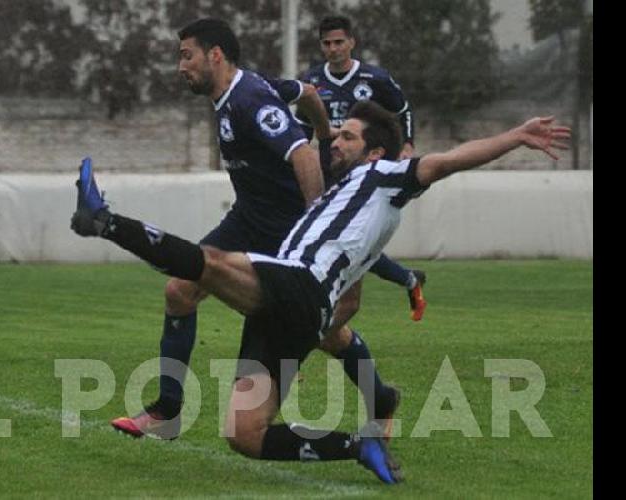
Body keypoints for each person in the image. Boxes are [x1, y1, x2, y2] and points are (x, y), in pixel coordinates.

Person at [71, 100, 570, 484]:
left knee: (208, 266)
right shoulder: (346, 200)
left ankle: (105, 220)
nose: (336, 141)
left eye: (348, 136)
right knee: (244, 436)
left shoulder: (384, 177)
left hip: (299, 288)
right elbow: (360, 265)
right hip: (295, 312)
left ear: (375, 152)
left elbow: (444, 163)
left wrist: (515, 136)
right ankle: (358, 446)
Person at [110, 18, 400, 443]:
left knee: (326, 332)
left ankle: (380, 399)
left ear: (215, 55)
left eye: (186, 55)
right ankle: (168, 410)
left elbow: (300, 156)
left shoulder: (248, 99)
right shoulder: (244, 90)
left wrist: (314, 215)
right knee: (179, 291)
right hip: (248, 220)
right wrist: (323, 131)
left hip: (286, 231)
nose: (180, 66)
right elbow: (307, 93)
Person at [297, 14, 429, 322]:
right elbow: (302, 127)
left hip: (365, 173)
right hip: (328, 170)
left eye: (339, 42)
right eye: (327, 43)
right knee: (345, 240)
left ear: (351, 43)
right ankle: (408, 279)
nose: (333, 49)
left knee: (348, 240)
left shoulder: (374, 79)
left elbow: (403, 110)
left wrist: (407, 144)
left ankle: (307, 333)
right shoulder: (313, 82)